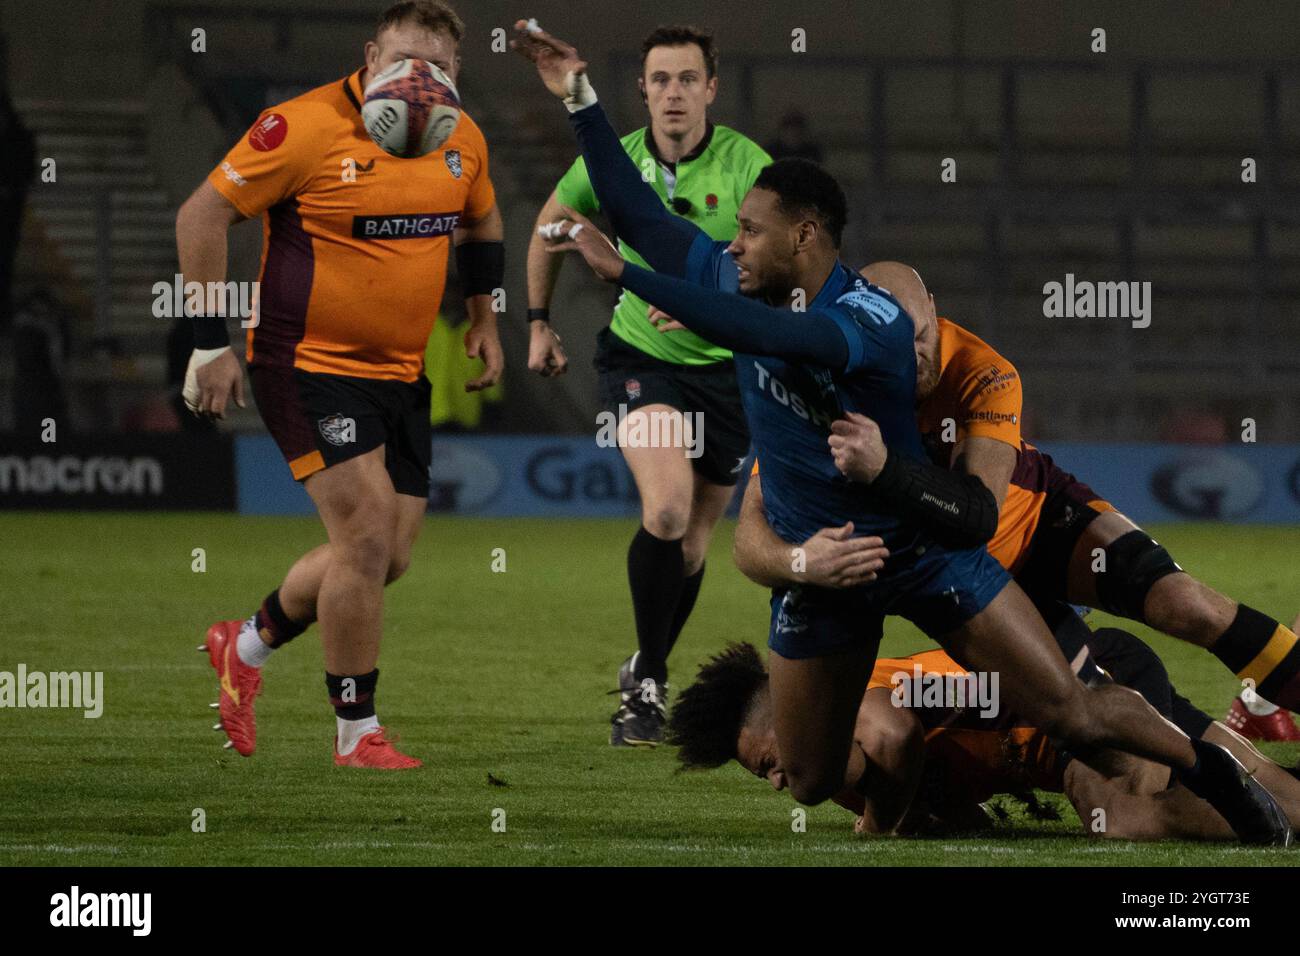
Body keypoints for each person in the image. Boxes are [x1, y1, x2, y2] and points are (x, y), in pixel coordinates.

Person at [510, 24, 1290, 843]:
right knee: (810, 779)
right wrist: (579, 100)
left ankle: (1218, 775)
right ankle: (931, 814)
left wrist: (627, 274)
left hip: (919, 551)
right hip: (828, 572)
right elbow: (634, 207)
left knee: (1073, 710)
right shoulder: (737, 277)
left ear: (805, 236)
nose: (731, 244)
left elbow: (778, 338)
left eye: (750, 230)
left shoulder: (867, 319)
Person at [736, 262, 1300, 741]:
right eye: (895, 343)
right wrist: (798, 562)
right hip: (971, 588)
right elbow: (751, 528)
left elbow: (979, 509)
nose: (916, 357)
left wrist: (884, 470)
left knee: (1187, 605)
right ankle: (1243, 773)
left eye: (921, 335)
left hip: (1034, 522)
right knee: (1092, 714)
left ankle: (1259, 727)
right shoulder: (820, 387)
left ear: (934, 310)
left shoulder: (982, 369)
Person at [183, 0, 504, 768]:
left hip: (400, 374)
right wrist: (207, 345)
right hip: (306, 365)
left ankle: (246, 645)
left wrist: (484, 317)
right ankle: (357, 732)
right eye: (403, 61)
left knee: (384, 556)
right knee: (363, 535)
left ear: (458, 72)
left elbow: (481, 224)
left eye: (438, 66)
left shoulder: (462, 137)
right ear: (370, 54)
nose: (420, 80)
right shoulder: (302, 127)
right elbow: (200, 217)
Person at [524, 24, 771, 746]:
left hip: (729, 375)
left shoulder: (748, 165)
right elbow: (551, 224)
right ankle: (648, 688)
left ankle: (646, 672)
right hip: (643, 361)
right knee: (665, 513)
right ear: (643, 90)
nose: (672, 93)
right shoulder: (616, 159)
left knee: (693, 545)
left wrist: (706, 296)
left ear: (710, 90)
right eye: (660, 79)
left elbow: (775, 262)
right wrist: (538, 321)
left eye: (687, 79)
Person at [669, 630, 1300, 841]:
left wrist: (879, 825)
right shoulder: (835, 773)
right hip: (1090, 693)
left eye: (770, 762)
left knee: (1121, 813)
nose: (780, 782)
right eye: (763, 777)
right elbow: (965, 814)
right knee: (1278, 793)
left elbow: (896, 735)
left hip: (1090, 691)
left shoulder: (843, 706)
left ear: (789, 717)